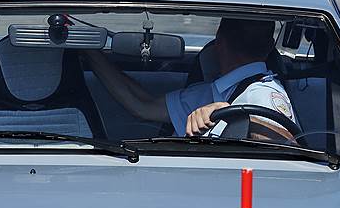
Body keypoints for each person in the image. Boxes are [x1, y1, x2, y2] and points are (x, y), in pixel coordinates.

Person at [84, 17, 298, 139]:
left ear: (218, 42)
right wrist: (88, 50)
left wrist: (236, 118)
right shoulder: (211, 93)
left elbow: (285, 151)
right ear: (270, 47)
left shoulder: (264, 95)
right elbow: (142, 105)